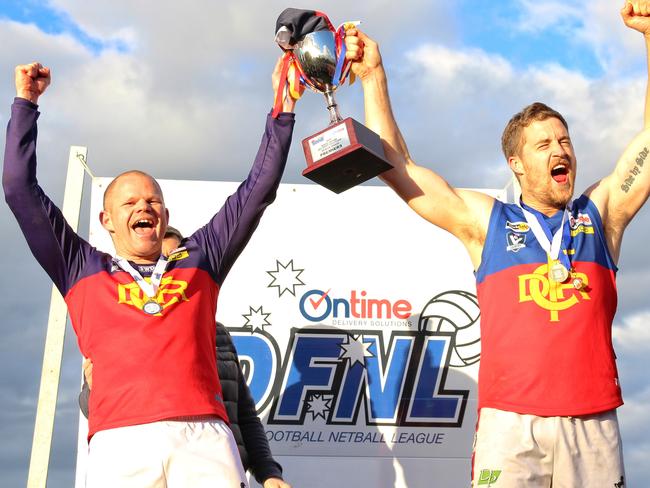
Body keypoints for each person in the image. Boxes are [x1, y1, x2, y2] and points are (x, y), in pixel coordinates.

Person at [343, 2, 650, 487]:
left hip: (591, 424)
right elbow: (400, 170)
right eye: (543, 145)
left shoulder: (599, 214)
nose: (560, 150)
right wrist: (373, 77)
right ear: (517, 165)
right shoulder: (488, 222)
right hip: (509, 427)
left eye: (564, 140)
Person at [3, 57, 296, 487]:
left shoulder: (201, 258)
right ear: (107, 221)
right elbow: (18, 189)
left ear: (165, 214)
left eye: (153, 201)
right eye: (130, 202)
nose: (144, 206)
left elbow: (257, 190)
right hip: (120, 442)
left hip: (205, 438)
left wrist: (282, 107)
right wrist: (25, 104)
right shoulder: (79, 265)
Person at [78, 228, 289, 487]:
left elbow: (244, 414)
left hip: (214, 468)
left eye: (174, 260)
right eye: (158, 262)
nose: (163, 271)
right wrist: (94, 387)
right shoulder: (115, 330)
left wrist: (268, 473)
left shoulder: (217, 333)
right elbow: (95, 411)